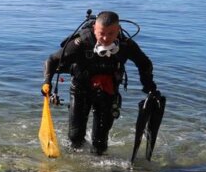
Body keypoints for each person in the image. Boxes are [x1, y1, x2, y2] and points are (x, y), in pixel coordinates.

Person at [43, 10, 156, 154]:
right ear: (94, 29)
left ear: (118, 30)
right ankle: (73, 171)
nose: (105, 38)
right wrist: (47, 82)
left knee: (100, 143)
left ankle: (98, 171)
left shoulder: (125, 45)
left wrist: (149, 86)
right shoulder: (81, 42)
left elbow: (144, 63)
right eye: (101, 33)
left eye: (111, 33)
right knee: (75, 137)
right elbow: (52, 60)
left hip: (108, 93)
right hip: (80, 90)